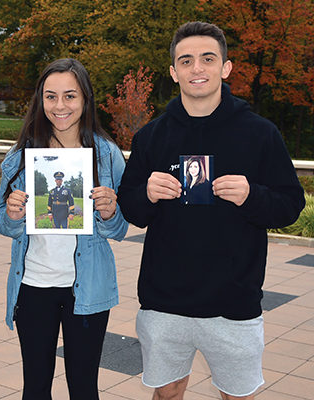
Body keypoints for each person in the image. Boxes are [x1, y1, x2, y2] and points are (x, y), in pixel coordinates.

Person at [117, 21, 305, 400]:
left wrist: (253, 195)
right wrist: (147, 194)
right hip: (164, 302)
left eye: (207, 58)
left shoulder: (260, 133)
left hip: (233, 302)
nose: (197, 68)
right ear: (174, 72)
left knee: (237, 396)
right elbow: (131, 208)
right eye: (186, 61)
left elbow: (290, 206)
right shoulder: (151, 136)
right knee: (166, 394)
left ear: (226, 67)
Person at [0, 58, 128, 400]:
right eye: (51, 96)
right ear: (40, 100)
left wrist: (110, 211)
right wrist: (12, 214)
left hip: (87, 289)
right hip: (33, 285)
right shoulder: (22, 155)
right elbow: (3, 223)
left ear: (85, 99)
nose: (60, 106)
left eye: (70, 96)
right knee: (36, 386)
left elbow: (121, 229)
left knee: (83, 388)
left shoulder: (106, 155)